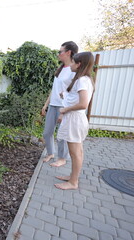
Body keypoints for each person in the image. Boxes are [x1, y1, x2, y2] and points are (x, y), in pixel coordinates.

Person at [54, 52, 95, 190]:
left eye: (73, 62)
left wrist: (65, 110)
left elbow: (83, 104)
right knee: (77, 151)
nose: (70, 65)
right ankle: (72, 176)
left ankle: (73, 182)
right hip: (75, 119)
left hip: (75, 120)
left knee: (75, 152)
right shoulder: (84, 79)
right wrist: (64, 95)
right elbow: (76, 98)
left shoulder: (82, 80)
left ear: (79, 65)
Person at [41, 41, 78, 167]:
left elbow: (74, 93)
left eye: (60, 51)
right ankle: (51, 153)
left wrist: (65, 109)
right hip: (53, 105)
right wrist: (46, 104)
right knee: (47, 132)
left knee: (62, 134)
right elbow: (54, 89)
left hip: (64, 106)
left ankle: (62, 158)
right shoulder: (61, 69)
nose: (58, 54)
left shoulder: (74, 70)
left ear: (68, 53)